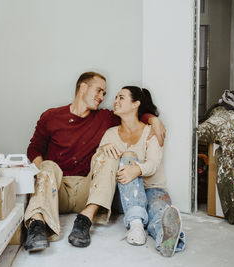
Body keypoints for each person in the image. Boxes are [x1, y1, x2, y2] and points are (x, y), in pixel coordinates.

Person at [24, 72, 166, 251]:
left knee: (109, 153)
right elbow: (34, 148)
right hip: (57, 188)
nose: (102, 98)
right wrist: (44, 176)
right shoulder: (51, 116)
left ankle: (84, 221)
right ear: (83, 87)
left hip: (87, 189)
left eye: (104, 94)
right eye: (99, 91)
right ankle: (37, 225)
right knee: (47, 166)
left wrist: (154, 120)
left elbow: (133, 116)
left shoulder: (105, 117)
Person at [99, 86, 185, 257]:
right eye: (115, 97)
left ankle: (166, 239)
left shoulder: (151, 131)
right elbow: (99, 165)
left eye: (121, 97)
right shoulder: (110, 134)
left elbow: (153, 164)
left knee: (158, 210)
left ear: (136, 104)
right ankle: (136, 225)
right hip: (123, 193)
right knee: (129, 156)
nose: (115, 101)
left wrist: (136, 170)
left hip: (153, 189)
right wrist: (103, 149)